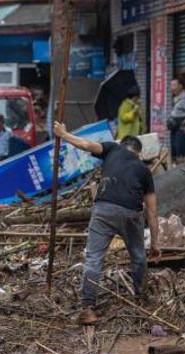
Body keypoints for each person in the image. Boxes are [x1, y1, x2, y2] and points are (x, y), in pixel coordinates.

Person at [53, 121, 159, 325]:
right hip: (130, 212)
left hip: (103, 209)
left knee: (93, 258)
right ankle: (141, 298)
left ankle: (88, 308)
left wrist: (64, 134)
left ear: (122, 145)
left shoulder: (112, 149)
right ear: (139, 153)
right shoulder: (144, 170)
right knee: (138, 256)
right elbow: (153, 212)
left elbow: (85, 144)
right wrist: (155, 244)